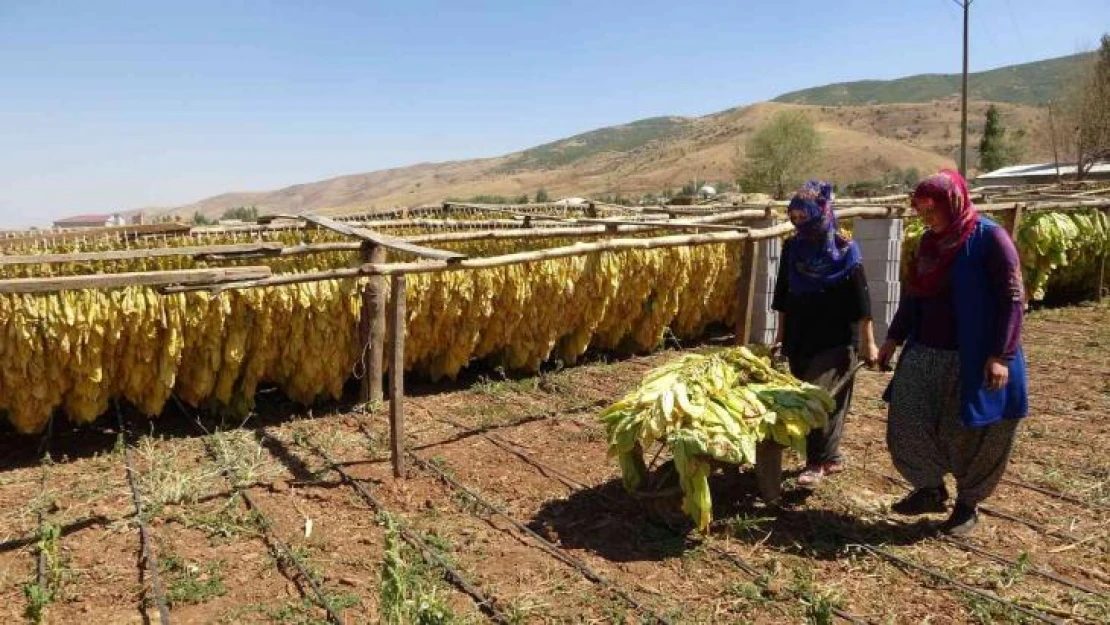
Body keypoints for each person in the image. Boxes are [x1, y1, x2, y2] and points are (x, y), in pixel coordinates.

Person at [879, 169, 1028, 536]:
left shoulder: (990, 239)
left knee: (972, 433)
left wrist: (1001, 355)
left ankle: (967, 505)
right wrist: (892, 339)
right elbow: (914, 295)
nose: (927, 219)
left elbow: (1013, 299)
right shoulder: (929, 244)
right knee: (907, 417)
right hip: (927, 349)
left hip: (976, 354)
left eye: (933, 210)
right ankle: (929, 488)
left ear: (955, 202)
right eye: (921, 211)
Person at [772, 180, 879, 487]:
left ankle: (815, 463)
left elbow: (862, 300)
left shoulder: (845, 249)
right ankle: (830, 457)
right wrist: (780, 333)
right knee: (814, 398)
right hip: (799, 335)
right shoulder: (792, 248)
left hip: (836, 337)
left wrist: (868, 342)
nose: (798, 224)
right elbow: (783, 292)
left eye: (804, 217)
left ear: (820, 213)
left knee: (816, 397)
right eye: (794, 218)